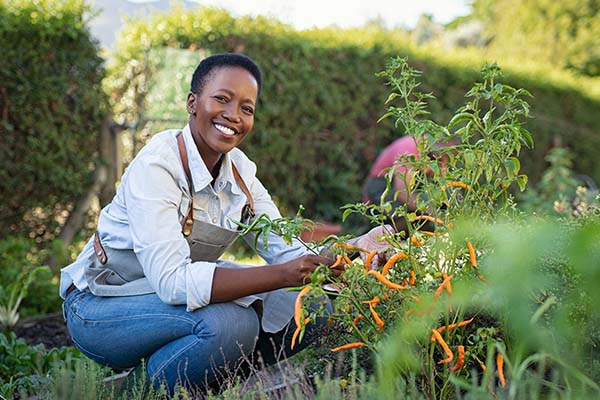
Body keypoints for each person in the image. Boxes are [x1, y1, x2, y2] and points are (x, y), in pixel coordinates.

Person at [60, 53, 383, 394]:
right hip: (101, 305)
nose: (234, 116)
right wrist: (285, 275)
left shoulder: (241, 173)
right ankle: (133, 395)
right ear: (192, 103)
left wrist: (354, 251)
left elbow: (287, 248)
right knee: (231, 324)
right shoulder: (158, 167)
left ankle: (201, 385)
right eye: (222, 99)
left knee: (315, 305)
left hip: (166, 304)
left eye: (247, 108)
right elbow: (172, 282)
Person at [362, 135, 458, 231]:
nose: (445, 161)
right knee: (415, 208)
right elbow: (402, 193)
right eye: (445, 155)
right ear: (437, 143)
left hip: (408, 187)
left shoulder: (436, 154)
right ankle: (387, 234)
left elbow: (445, 183)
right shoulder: (409, 150)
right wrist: (432, 211)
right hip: (383, 187)